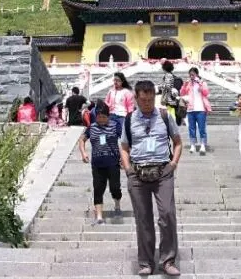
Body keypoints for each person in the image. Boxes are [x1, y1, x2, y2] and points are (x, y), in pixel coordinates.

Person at [120, 80, 183, 276]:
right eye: (143, 100)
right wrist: (128, 169)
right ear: (136, 99)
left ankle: (168, 260)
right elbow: (124, 147)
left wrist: (173, 164)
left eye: (150, 100)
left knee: (167, 214)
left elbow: (178, 142)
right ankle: (145, 262)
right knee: (143, 219)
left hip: (163, 172)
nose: (147, 103)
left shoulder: (164, 116)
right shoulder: (129, 119)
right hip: (138, 174)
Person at [78, 101, 122, 224]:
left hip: (113, 162)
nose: (101, 119)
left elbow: (124, 140)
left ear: (108, 116)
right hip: (97, 164)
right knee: (98, 189)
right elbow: (82, 140)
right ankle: (99, 216)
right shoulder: (92, 127)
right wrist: (83, 153)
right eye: (99, 117)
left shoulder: (115, 126)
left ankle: (117, 204)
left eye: (104, 117)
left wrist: (125, 157)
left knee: (115, 187)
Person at [180, 67, 211, 154]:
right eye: (190, 75)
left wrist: (200, 84)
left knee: (202, 128)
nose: (191, 76)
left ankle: (203, 145)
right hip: (191, 109)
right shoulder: (189, 84)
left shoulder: (202, 82)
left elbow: (206, 93)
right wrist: (184, 85)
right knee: (191, 128)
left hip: (201, 109)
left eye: (193, 75)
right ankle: (192, 145)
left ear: (197, 74)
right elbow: (182, 93)